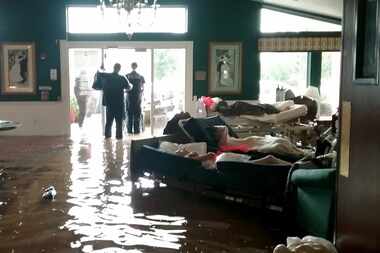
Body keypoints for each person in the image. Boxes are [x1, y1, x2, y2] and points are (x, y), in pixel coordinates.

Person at [103, 63, 131, 140]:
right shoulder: (122, 78)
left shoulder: (107, 77)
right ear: (119, 69)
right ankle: (119, 137)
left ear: (113, 67)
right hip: (119, 103)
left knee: (109, 121)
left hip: (110, 103)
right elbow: (128, 87)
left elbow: (103, 86)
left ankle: (107, 136)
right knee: (119, 122)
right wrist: (130, 86)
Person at [126, 62, 145, 134]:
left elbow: (125, 88)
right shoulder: (140, 76)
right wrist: (141, 92)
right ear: (136, 67)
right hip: (137, 97)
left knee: (130, 114)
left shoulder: (127, 76)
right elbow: (143, 88)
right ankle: (137, 130)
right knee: (137, 114)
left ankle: (129, 130)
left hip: (130, 97)